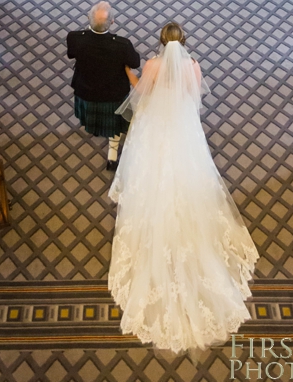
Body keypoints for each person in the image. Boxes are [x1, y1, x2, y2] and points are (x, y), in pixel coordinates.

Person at [108, 22, 258, 353]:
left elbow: (141, 92)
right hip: (180, 118)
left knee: (148, 161)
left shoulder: (150, 65)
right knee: (191, 168)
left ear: (162, 43)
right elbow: (193, 95)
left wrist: (127, 73)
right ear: (184, 43)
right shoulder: (192, 66)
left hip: (156, 117)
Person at [67, 1, 140, 170]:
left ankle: (95, 127)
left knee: (94, 118)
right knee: (114, 125)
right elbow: (135, 62)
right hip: (114, 95)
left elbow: (71, 54)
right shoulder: (123, 45)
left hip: (85, 91)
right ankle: (112, 157)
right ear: (113, 22)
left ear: (88, 18)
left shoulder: (75, 38)